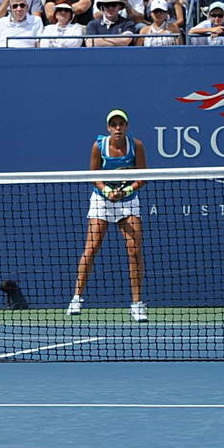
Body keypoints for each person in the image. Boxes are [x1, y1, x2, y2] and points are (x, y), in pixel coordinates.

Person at [67, 108, 147, 323]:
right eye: (114, 125)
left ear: (126, 127)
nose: (118, 128)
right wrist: (107, 191)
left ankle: (137, 305)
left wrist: (126, 191)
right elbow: (94, 176)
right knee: (91, 248)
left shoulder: (136, 145)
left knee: (134, 250)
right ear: (108, 128)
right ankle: (76, 298)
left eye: (121, 124)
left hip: (128, 200)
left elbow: (144, 176)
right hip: (102, 200)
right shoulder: (99, 146)